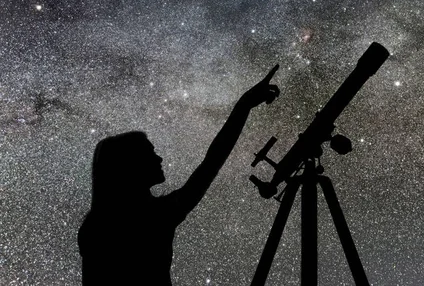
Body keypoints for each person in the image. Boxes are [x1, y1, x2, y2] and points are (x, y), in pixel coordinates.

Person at [78, 65, 280, 285]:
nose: (159, 159)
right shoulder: (155, 217)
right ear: (131, 166)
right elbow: (211, 163)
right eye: (150, 153)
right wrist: (244, 105)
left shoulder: (97, 226)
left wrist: (245, 104)